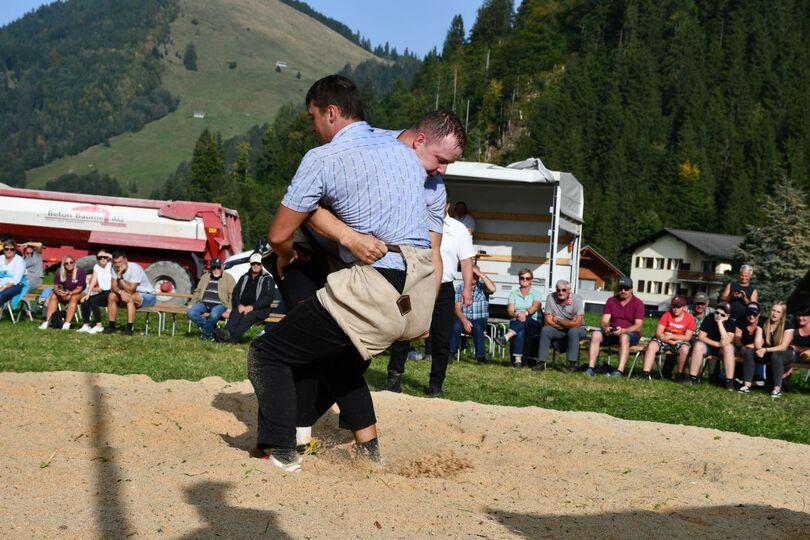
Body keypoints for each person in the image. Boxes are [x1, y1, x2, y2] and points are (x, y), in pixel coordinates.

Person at [247, 75, 442, 471]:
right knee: (337, 359)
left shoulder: (323, 157)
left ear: (331, 113)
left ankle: (282, 450)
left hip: (372, 288)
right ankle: (369, 453)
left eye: (313, 117)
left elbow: (280, 233)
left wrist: (284, 256)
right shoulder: (404, 152)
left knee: (266, 353)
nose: (313, 127)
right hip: (416, 293)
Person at [383, 202, 474, 395]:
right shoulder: (416, 222)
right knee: (403, 330)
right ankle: (394, 379)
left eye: (438, 203)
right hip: (415, 283)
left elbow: (466, 260)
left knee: (442, 336)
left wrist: (467, 288)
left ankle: (436, 384)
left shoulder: (458, 229)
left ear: (447, 205)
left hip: (445, 287)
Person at [586, 276, 644, 377]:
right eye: (620, 288)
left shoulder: (638, 303)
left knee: (624, 337)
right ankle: (590, 368)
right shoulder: (611, 301)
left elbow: (638, 326)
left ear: (631, 290)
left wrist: (624, 330)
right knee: (596, 334)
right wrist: (606, 328)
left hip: (631, 334)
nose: (623, 291)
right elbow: (604, 321)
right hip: (613, 332)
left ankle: (619, 371)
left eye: (626, 288)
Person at [214, 253, 275, 343]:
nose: (256, 265)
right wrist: (239, 305)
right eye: (253, 263)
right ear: (250, 264)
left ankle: (232, 339)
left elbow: (269, 298)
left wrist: (252, 307)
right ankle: (225, 334)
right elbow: (236, 293)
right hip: (243, 306)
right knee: (235, 313)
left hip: (260, 309)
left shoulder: (267, 279)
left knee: (247, 317)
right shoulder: (244, 277)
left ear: (261, 264)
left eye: (258, 263)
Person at [738, 302, 794, 397]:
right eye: (773, 310)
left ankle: (777, 389)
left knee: (776, 355)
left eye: (778, 312)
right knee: (749, 352)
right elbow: (758, 341)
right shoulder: (763, 322)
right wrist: (759, 349)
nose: (774, 314)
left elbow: (783, 346)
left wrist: (765, 350)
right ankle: (746, 386)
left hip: (785, 353)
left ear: (782, 314)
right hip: (767, 351)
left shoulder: (788, 325)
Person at [639, 296, 695, 380]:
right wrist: (668, 340)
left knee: (685, 349)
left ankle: (680, 374)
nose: (675, 309)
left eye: (678, 307)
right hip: (664, 339)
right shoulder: (667, 315)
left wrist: (672, 336)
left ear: (684, 307)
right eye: (674, 306)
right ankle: (645, 374)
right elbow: (658, 333)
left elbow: (687, 337)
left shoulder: (689, 318)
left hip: (679, 341)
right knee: (652, 345)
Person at [494, 270, 543, 368]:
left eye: (527, 278)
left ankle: (506, 337)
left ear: (531, 281)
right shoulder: (513, 293)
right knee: (520, 330)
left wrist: (524, 313)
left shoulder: (536, 293)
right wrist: (517, 315)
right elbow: (510, 311)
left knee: (526, 317)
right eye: (522, 278)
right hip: (517, 321)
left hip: (533, 323)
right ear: (519, 280)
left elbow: (535, 307)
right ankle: (518, 362)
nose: (525, 280)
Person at [537, 279, 587, 372]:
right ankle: (541, 362)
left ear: (569, 291)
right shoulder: (550, 297)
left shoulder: (577, 299)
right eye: (558, 290)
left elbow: (578, 324)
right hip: (560, 330)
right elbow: (547, 321)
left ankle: (572, 365)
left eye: (563, 290)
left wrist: (559, 321)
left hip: (578, 329)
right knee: (545, 330)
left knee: (573, 331)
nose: (560, 292)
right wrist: (569, 324)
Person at [449, 265, 496, 364]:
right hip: (464, 317)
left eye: (475, 275)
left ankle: (481, 358)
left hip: (479, 319)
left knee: (478, 327)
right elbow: (457, 308)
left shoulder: (483, 287)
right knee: (456, 325)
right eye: (471, 274)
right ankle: (450, 354)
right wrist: (464, 321)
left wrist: (481, 274)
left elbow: (492, 289)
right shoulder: (460, 287)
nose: (474, 276)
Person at [103, 250, 156, 336]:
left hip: (148, 295)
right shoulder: (114, 268)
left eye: (120, 262)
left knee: (129, 297)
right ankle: (111, 326)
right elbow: (113, 287)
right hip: (130, 293)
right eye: (115, 262)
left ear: (126, 260)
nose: (118, 265)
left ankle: (129, 329)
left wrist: (120, 277)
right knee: (111, 296)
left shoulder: (135, 268)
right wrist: (120, 292)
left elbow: (130, 290)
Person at [686, 302, 736, 388]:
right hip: (709, 347)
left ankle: (729, 382)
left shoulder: (731, 322)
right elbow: (701, 336)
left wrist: (720, 324)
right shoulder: (709, 317)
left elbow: (728, 341)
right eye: (716, 312)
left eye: (722, 315)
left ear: (727, 316)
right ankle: (692, 378)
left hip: (722, 350)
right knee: (698, 345)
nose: (718, 316)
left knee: (729, 348)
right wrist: (717, 344)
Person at [187, 258, 235, 340]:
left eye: (218, 268)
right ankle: (213, 330)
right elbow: (198, 291)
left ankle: (206, 334)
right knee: (191, 312)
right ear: (211, 268)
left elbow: (232, 294)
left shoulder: (229, 278)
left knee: (213, 315)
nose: (216, 270)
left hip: (220, 304)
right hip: (204, 303)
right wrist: (192, 303)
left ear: (222, 267)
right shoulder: (205, 277)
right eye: (214, 268)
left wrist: (230, 308)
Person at [40, 255, 86, 330]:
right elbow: (55, 286)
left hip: (79, 293)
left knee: (74, 297)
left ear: (74, 263)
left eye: (71, 262)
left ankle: (67, 323)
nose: (69, 264)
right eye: (66, 263)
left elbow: (79, 289)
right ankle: (47, 322)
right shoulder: (59, 271)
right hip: (65, 292)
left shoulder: (80, 271)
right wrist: (59, 293)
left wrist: (70, 293)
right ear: (63, 265)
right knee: (54, 296)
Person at [77, 249, 114, 334]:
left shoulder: (110, 265)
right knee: (84, 300)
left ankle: (99, 325)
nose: (103, 259)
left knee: (94, 301)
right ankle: (86, 325)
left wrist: (107, 254)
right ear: (97, 259)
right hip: (102, 293)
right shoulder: (96, 267)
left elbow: (114, 258)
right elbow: (93, 281)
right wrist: (88, 294)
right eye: (100, 257)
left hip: (110, 293)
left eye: (105, 257)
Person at [736, 303, 764, 393]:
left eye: (754, 314)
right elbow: (737, 338)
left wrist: (748, 346)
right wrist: (741, 346)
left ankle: (756, 379)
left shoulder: (763, 322)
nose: (751, 316)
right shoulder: (741, 320)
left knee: (752, 352)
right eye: (749, 313)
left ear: (759, 314)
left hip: (757, 348)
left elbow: (762, 341)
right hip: (742, 348)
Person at [781, 306, 810, 385]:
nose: (801, 318)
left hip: (807, 356)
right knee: (788, 354)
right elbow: (786, 344)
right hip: (793, 355)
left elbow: (794, 347)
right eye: (799, 315)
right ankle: (783, 381)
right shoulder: (792, 327)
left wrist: (798, 348)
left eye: (804, 316)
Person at [0, 239, 26, 306]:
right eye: (6, 249)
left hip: (15, 286)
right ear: (3, 249)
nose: (9, 251)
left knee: (1, 295)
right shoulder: (1, 258)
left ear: (15, 250)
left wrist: (3, 287)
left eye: (12, 249)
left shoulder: (20, 261)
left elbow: (15, 280)